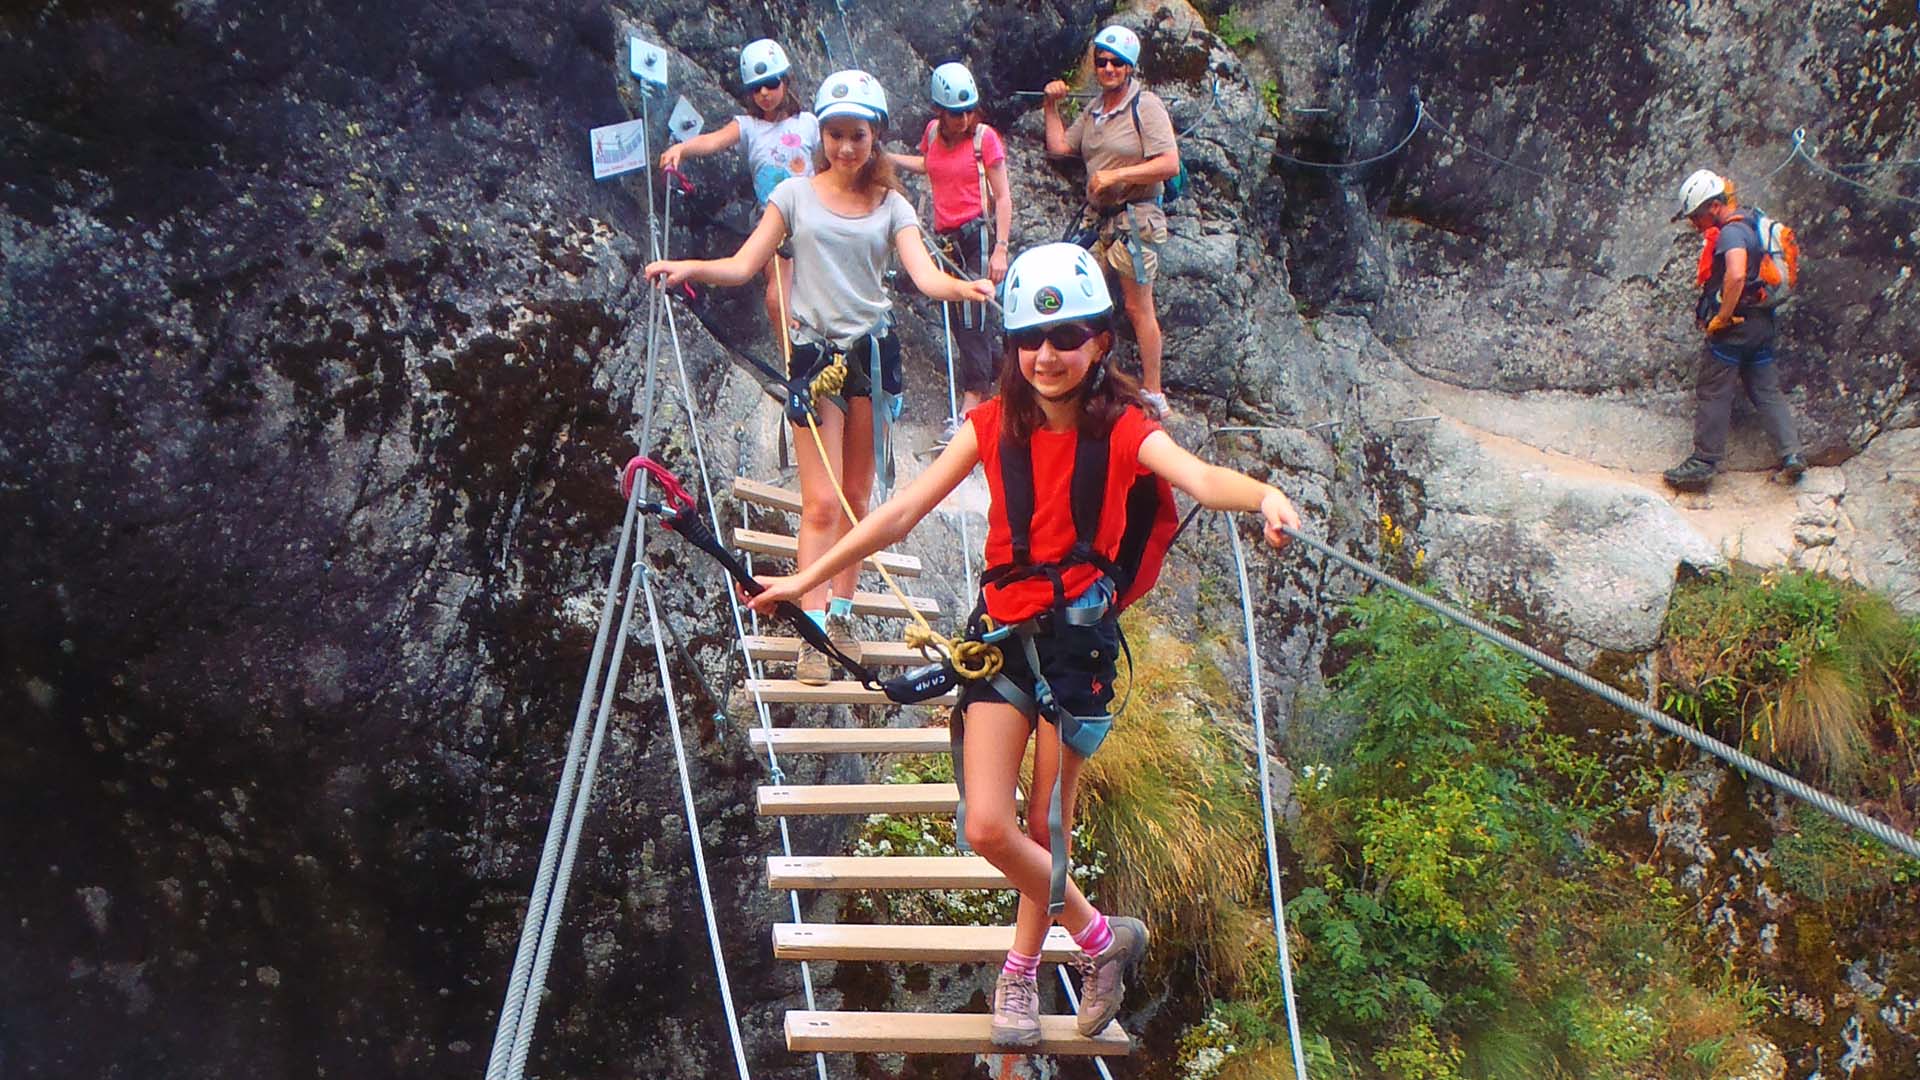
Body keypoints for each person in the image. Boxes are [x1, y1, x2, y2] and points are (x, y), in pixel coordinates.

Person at [742, 243, 1302, 1046]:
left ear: (1100, 343)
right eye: (1030, 341)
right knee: (985, 826)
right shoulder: (990, 423)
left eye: (1067, 337)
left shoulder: (1124, 430)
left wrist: (1266, 496)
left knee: (1044, 830)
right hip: (1001, 639)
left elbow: (1201, 478)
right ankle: (1105, 940)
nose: (1047, 355)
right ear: (1011, 346)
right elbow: (898, 514)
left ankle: (1017, 980)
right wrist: (805, 581)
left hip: (1075, 647)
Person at [647, 70, 994, 685]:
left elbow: (920, 274)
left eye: (856, 136)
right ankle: (811, 625)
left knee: (858, 501)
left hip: (871, 358)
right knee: (821, 502)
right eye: (834, 135)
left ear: (875, 137)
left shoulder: (892, 206)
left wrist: (962, 287)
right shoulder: (793, 196)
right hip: (816, 360)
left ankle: (839, 615)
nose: (844, 148)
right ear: (822, 136)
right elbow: (745, 263)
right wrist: (688, 267)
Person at [1041, 24, 1180, 418]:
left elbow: (1168, 163)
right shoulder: (1095, 110)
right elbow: (1062, 147)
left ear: (1129, 67)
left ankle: (1153, 391)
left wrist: (1116, 177)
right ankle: (1091, 380)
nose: (1107, 68)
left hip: (1136, 219)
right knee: (1086, 302)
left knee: (1137, 307)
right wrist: (1051, 107)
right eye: (1101, 61)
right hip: (1099, 220)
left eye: (1116, 63)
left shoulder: (1145, 105)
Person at [657, 39, 818, 354]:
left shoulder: (809, 123)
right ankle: (794, 364)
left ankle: (814, 357)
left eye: (771, 84)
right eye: (756, 88)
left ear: (786, 81)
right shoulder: (747, 126)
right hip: (773, 218)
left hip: (812, 212)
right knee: (777, 297)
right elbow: (714, 141)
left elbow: (830, 164)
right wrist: (682, 148)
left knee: (812, 292)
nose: (764, 94)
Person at [890, 62, 1014, 437]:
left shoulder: (984, 140)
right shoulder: (932, 133)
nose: (962, 119)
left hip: (975, 234)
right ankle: (1001, 385)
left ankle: (970, 406)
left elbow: (1003, 195)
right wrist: (888, 159)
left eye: (967, 111)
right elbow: (928, 166)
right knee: (961, 319)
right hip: (945, 237)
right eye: (954, 113)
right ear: (938, 111)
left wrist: (1001, 249)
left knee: (972, 320)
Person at [1663, 168, 1806, 491]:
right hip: (1762, 325)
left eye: (1696, 216)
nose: (1695, 224)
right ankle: (1791, 454)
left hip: (1736, 327)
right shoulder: (1752, 221)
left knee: (1714, 389)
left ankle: (1703, 462)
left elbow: (1737, 275)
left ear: (1713, 206)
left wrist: (1723, 317)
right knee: (1766, 391)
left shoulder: (1731, 233)